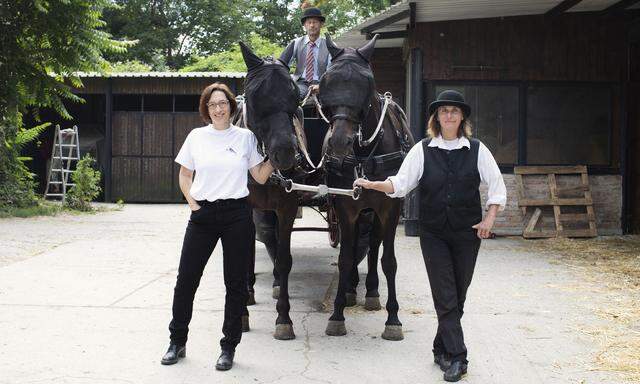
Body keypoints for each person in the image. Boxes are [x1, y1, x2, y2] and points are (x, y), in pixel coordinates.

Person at [354, 90, 507, 382]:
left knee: (458, 295)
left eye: (454, 110)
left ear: (462, 117)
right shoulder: (423, 149)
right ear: (436, 117)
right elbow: (401, 183)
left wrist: (489, 218)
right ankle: (458, 357)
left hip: (467, 232)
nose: (449, 115)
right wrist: (374, 185)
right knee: (445, 295)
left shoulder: (476, 149)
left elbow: (497, 186)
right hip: (434, 233)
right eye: (443, 110)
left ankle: (440, 347)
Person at [161, 83, 274, 371]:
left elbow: (259, 177)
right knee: (186, 279)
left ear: (231, 106)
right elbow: (185, 175)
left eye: (223, 103)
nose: (219, 108)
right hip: (203, 215)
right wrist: (192, 203)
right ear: (206, 109)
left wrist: (276, 156)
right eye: (213, 104)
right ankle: (177, 341)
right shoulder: (197, 137)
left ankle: (228, 347)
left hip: (237, 214)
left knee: (236, 284)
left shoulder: (245, 137)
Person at [279, 6, 331, 100]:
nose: (312, 25)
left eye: (315, 22)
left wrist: (321, 86)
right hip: (300, 83)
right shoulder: (296, 43)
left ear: (321, 24)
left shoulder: (329, 45)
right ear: (305, 25)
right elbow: (282, 64)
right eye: (309, 22)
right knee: (290, 98)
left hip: (322, 84)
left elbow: (332, 71)